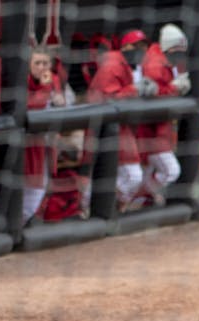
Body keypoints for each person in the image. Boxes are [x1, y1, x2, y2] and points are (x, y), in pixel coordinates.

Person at [86, 29, 157, 212]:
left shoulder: (125, 64)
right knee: (130, 176)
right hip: (103, 127)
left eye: (144, 48)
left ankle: (111, 207)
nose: (142, 52)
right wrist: (135, 89)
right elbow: (109, 99)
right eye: (138, 47)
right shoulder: (113, 64)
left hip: (119, 127)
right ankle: (102, 207)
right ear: (126, 47)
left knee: (123, 175)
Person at [136, 23, 191, 207]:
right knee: (171, 171)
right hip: (150, 130)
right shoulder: (155, 65)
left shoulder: (162, 58)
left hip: (157, 128)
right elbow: (154, 97)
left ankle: (142, 202)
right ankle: (148, 196)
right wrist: (175, 88)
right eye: (177, 51)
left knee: (146, 172)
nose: (179, 55)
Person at [23, 46, 67, 225]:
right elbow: (30, 107)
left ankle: (27, 222)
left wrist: (61, 101)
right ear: (29, 65)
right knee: (32, 188)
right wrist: (46, 88)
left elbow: (62, 105)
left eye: (45, 63)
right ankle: (19, 225)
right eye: (37, 63)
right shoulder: (23, 81)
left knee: (42, 186)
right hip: (26, 145)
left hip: (47, 144)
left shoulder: (53, 79)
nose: (42, 67)